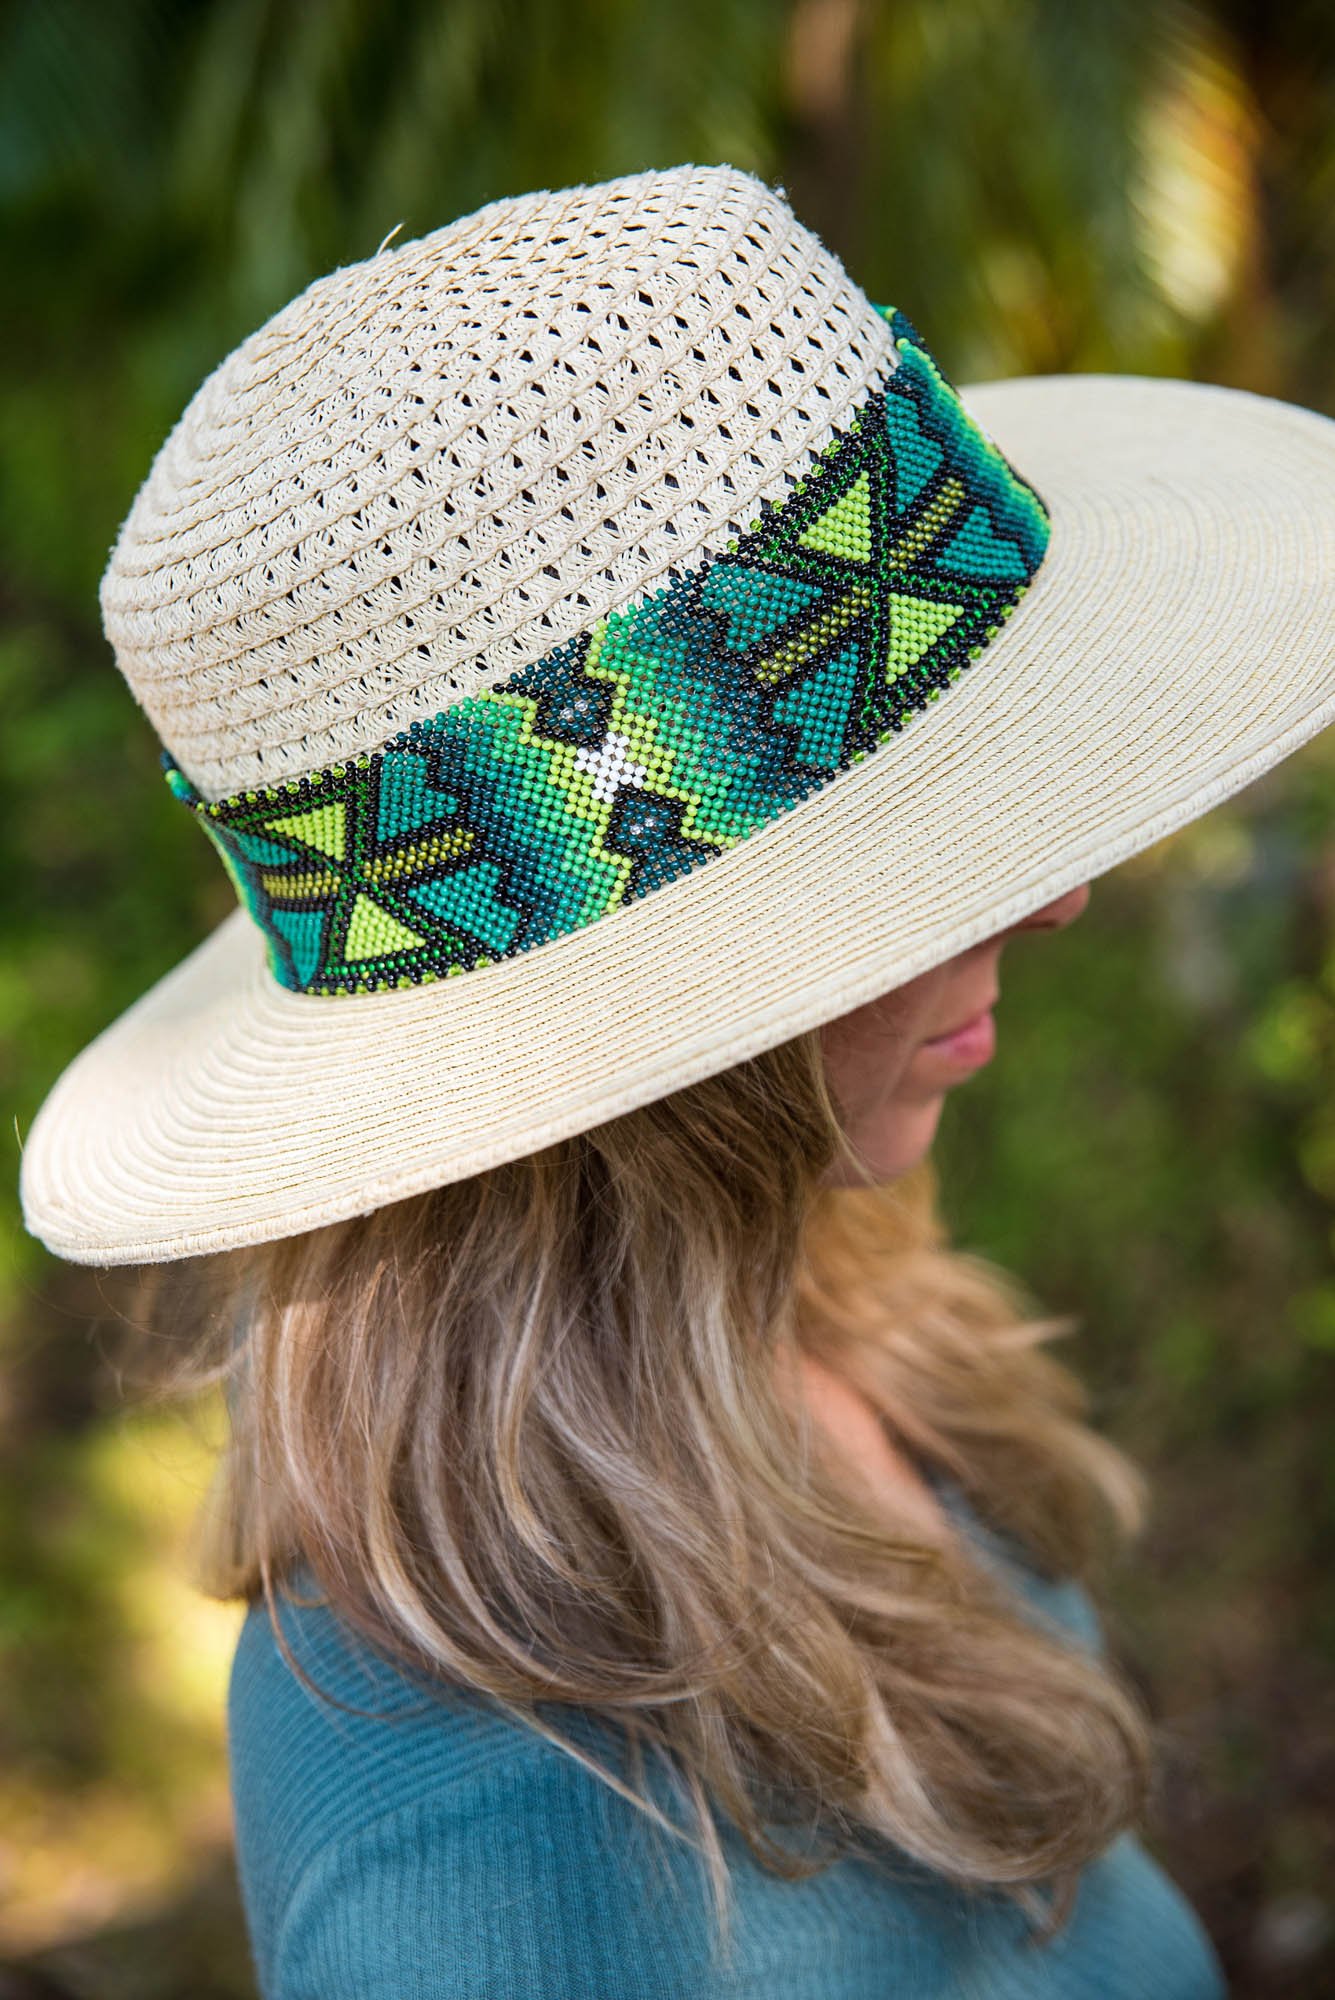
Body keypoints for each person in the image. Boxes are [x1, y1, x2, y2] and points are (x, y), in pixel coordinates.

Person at [20, 165, 1335, 1997]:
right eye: (925, 858)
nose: (1058, 892)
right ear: (640, 1063)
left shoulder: (815, 1313)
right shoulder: (487, 1850)